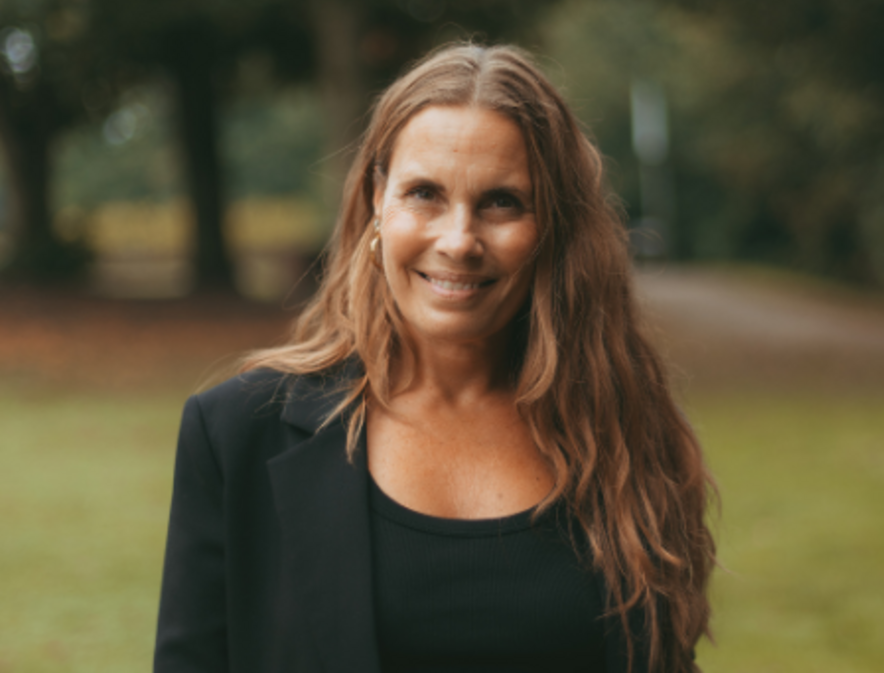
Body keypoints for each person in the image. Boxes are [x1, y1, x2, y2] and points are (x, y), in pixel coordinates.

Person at [154, 43, 716, 673]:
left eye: (502, 201)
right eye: (424, 193)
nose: (459, 241)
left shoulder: (624, 430)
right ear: (377, 199)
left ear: (554, 225)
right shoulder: (237, 432)